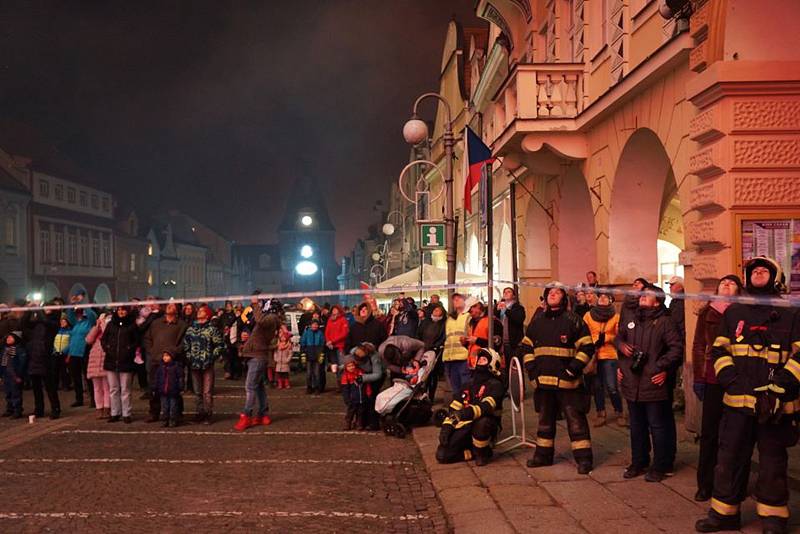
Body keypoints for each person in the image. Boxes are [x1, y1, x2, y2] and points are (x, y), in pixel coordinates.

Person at [695, 257, 797, 534]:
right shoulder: (734, 312)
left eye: (764, 270)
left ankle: (774, 518)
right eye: (754, 270)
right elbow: (719, 350)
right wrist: (730, 381)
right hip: (738, 403)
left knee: (773, 461)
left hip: (775, 403)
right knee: (729, 458)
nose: (758, 272)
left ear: (776, 277)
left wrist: (783, 385)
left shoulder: (791, 312)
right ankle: (724, 514)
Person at [518, 282, 596, 474]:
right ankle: (542, 456)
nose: (553, 295)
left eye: (557, 292)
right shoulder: (537, 322)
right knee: (544, 422)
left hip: (568, 383)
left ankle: (584, 459)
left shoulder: (574, 320)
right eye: (550, 292)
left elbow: (587, 347)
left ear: (564, 298)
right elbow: (526, 347)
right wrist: (531, 369)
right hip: (543, 383)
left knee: (576, 421)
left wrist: (573, 370)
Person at [616, 285, 683, 482]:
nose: (642, 297)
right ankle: (639, 462)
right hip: (632, 382)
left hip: (652, 382)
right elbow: (619, 337)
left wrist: (660, 367)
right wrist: (621, 350)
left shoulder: (664, 322)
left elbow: (676, 349)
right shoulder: (631, 319)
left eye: (647, 294)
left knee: (657, 425)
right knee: (636, 426)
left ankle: (661, 465)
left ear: (658, 300)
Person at [691, 274, 743, 502]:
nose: (726, 285)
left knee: (737, 435)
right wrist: (699, 377)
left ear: (739, 290)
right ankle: (705, 484)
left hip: (739, 380)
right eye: (723, 283)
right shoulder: (707, 312)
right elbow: (698, 346)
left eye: (732, 283)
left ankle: (734, 484)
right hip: (713, 379)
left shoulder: (745, 312)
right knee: (710, 433)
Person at [436, 348, 505, 466]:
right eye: (479, 358)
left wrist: (463, 414)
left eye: (484, 359)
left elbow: (485, 407)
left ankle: (482, 453)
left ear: (492, 364)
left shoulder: (496, 385)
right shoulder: (468, 384)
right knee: (442, 455)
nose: (479, 361)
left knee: (482, 423)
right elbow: (454, 408)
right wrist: (446, 428)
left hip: (486, 425)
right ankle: (472, 452)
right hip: (466, 424)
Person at [234, 298, 281, 431]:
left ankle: (247, 415)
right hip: (256, 355)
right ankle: (263, 414)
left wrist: (255, 305)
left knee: (250, 387)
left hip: (257, 357)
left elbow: (260, 320)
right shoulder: (271, 319)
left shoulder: (271, 318)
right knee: (258, 387)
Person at [582, 289, 624, 427]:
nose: (603, 298)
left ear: (611, 300)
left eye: (606, 297)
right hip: (594, 355)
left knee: (612, 387)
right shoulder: (588, 315)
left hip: (610, 355)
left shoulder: (616, 316)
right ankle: (601, 413)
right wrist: (593, 341)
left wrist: (606, 338)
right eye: (601, 296)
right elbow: (583, 332)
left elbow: (620, 336)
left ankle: (619, 412)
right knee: (597, 387)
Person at [142, 303, 187, 423]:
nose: (170, 307)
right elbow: (147, 338)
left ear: (177, 310)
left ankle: (176, 414)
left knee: (174, 390)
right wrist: (152, 351)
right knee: (154, 388)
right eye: (168, 305)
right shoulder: (156, 323)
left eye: (173, 306)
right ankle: (154, 412)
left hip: (173, 363)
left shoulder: (182, 325)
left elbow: (184, 343)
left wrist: (172, 353)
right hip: (156, 361)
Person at [183, 304, 225, 424]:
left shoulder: (212, 329)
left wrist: (211, 357)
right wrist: (189, 357)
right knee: (197, 392)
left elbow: (220, 345)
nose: (199, 312)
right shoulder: (191, 329)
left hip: (207, 364)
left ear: (207, 314)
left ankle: (207, 414)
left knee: (207, 392)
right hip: (194, 364)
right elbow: (186, 345)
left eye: (202, 311)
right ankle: (199, 413)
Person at [101, 306, 140, 423]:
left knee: (125, 389)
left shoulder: (132, 326)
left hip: (126, 361)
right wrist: (107, 348)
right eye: (119, 310)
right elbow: (104, 339)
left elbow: (137, 341)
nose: (121, 312)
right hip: (111, 360)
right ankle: (115, 412)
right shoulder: (111, 325)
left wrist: (129, 349)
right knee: (113, 389)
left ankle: (126, 413)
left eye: (123, 310)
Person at [22, 306, 60, 420]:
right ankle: (39, 409)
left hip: (46, 359)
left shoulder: (53, 324)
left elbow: (46, 321)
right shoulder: (35, 325)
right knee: (36, 388)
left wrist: (39, 309)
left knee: (50, 387)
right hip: (34, 358)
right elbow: (23, 324)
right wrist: (29, 309)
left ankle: (55, 409)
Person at [65, 294, 97, 408]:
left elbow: (91, 314)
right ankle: (79, 399)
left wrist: (82, 303)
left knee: (88, 377)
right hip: (74, 353)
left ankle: (94, 398)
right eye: (77, 311)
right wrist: (72, 303)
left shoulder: (90, 322)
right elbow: (69, 315)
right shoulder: (75, 323)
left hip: (85, 352)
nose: (78, 313)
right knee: (76, 377)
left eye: (80, 311)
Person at [443, 293, 470, 397]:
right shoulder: (450, 318)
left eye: (459, 299)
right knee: (455, 388)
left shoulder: (468, 316)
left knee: (465, 386)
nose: (456, 301)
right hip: (449, 357)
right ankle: (457, 408)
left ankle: (466, 409)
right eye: (454, 300)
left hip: (463, 356)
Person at [85, 313, 111, 419]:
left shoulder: (109, 328)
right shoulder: (96, 331)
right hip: (94, 363)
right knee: (97, 388)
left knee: (106, 387)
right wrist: (96, 326)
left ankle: (107, 408)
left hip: (105, 360)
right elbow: (88, 340)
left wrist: (104, 325)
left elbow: (107, 335)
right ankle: (99, 408)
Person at [418, 303, 446, 401]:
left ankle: (431, 396)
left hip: (435, 351)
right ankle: (423, 393)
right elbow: (419, 333)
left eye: (438, 310)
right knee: (423, 374)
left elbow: (443, 337)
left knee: (433, 374)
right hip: (424, 350)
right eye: (435, 310)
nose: (436, 312)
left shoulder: (443, 323)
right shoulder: (426, 322)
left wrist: (435, 347)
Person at [352, 342, 383, 431]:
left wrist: (363, 378)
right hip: (363, 374)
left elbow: (378, 374)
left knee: (372, 399)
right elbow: (350, 361)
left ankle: (374, 423)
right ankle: (362, 421)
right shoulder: (355, 351)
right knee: (363, 399)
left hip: (374, 376)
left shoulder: (375, 358)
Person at [497, 287, 526, 372]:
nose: (505, 293)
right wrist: (496, 310)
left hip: (514, 344)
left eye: (508, 292)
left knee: (516, 369)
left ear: (513, 296)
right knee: (504, 369)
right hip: (502, 344)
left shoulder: (518, 308)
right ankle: (507, 385)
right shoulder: (500, 308)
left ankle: (517, 385)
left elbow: (518, 319)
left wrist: (506, 310)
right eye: (504, 292)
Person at [153, 350, 183, 428]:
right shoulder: (160, 367)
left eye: (167, 356)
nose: (165, 357)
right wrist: (155, 387)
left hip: (173, 391)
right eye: (164, 356)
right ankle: (165, 420)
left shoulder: (176, 367)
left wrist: (180, 387)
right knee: (165, 407)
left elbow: (180, 378)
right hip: (163, 391)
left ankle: (173, 420)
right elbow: (157, 378)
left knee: (173, 406)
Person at [2, 333, 26, 418]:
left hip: (14, 374)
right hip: (6, 373)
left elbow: (22, 363)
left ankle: (17, 410)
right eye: (7, 337)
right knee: (8, 392)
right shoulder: (5, 349)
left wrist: (19, 374)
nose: (8, 339)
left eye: (11, 337)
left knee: (16, 393)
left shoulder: (19, 349)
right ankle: (10, 409)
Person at [340, 353, 366, 430]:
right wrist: (347, 399)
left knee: (360, 412)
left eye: (352, 365)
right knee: (350, 412)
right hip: (352, 399)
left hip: (361, 398)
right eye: (349, 366)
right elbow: (345, 390)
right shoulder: (345, 376)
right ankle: (348, 423)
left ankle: (358, 423)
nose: (351, 367)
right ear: (345, 367)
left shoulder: (360, 372)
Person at [324, 305, 349, 380]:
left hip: (340, 346)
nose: (334, 311)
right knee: (335, 366)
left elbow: (344, 333)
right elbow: (327, 332)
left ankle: (344, 382)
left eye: (336, 310)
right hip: (331, 347)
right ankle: (339, 383)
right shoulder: (329, 320)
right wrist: (328, 341)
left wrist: (332, 341)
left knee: (342, 365)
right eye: (333, 310)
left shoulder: (343, 319)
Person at [301, 319, 326, 394]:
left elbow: (322, 344)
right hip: (309, 354)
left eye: (316, 324)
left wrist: (321, 354)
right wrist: (303, 354)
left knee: (317, 373)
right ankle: (309, 387)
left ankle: (316, 387)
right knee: (309, 373)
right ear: (310, 325)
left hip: (317, 355)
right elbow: (303, 343)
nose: (315, 326)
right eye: (313, 324)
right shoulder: (306, 333)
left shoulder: (320, 333)